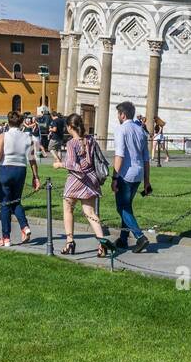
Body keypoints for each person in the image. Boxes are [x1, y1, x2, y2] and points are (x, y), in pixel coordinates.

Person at [60, 113, 115, 257]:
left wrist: (59, 164)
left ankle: (70, 241)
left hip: (77, 179)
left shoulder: (72, 143)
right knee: (90, 213)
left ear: (70, 127)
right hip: (91, 178)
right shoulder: (90, 140)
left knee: (68, 209)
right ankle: (102, 242)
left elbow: (73, 165)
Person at [0, 111, 40, 247]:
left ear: (8, 122)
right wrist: (35, 177)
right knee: (16, 201)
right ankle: (24, 227)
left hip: (5, 169)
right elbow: (32, 159)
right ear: (21, 123)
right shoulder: (28, 137)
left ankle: (6, 237)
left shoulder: (3, 136)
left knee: (5, 203)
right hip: (20, 169)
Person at [111, 100, 152, 252]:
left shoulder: (121, 130)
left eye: (118, 113)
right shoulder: (141, 130)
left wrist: (114, 177)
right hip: (139, 173)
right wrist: (147, 181)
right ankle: (123, 239)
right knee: (126, 205)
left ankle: (140, 237)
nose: (117, 116)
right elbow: (146, 158)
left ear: (123, 114)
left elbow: (119, 155)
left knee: (122, 207)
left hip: (125, 174)